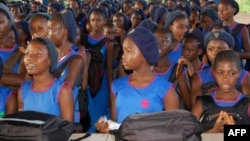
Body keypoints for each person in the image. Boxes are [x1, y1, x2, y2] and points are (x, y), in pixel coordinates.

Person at [95, 27, 179, 133]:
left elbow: (173, 130)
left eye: (129, 51)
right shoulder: (116, 86)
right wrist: (107, 127)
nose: (123, 56)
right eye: (123, 51)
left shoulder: (166, 91)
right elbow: (115, 123)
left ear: (145, 54)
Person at [192, 50, 250, 133]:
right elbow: (188, 135)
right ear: (214, 73)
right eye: (220, 73)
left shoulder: (247, 104)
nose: (225, 78)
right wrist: (213, 132)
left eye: (232, 73)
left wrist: (233, 132)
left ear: (239, 74)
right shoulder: (202, 103)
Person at [17, 37, 74, 122]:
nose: (29, 58)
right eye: (27, 54)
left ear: (50, 60)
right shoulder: (23, 89)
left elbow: (67, 128)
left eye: (37, 54)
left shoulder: (62, 90)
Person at [190, 31, 250, 107]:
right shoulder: (199, 77)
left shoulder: (244, 75)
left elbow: (247, 103)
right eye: (210, 49)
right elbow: (195, 105)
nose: (215, 52)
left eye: (221, 48)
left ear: (230, 50)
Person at [47, 9, 83, 122]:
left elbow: (66, 88)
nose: (47, 34)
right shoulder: (49, 56)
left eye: (51, 29)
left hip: (65, 116)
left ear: (64, 31)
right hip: (50, 112)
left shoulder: (75, 60)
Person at [84, 7, 115, 132]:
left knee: (100, 116)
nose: (95, 23)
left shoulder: (108, 44)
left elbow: (109, 69)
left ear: (105, 21)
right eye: (92, 20)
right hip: (85, 84)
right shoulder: (82, 40)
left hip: (100, 86)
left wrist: (110, 92)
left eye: (99, 20)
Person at [176, 29, 207, 109]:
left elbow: (194, 105)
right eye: (183, 49)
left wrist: (193, 76)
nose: (185, 53)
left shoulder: (207, 71)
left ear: (199, 51)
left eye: (190, 50)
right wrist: (181, 78)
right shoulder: (179, 68)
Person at [218, 0, 250, 71]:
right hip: (218, 68)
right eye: (219, 10)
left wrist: (231, 54)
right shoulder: (216, 28)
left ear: (234, 10)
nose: (220, 13)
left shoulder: (242, 29)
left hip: (236, 68)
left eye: (225, 9)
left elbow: (248, 54)